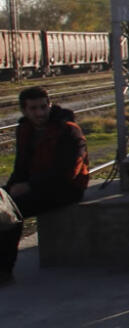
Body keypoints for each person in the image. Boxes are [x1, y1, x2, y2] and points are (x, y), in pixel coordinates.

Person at [0, 87, 89, 284]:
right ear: (24, 110)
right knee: (3, 203)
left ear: (50, 104)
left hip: (67, 188)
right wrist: (9, 189)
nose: (39, 113)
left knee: (14, 213)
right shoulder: (25, 129)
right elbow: (21, 165)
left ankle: (4, 271)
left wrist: (29, 186)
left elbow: (68, 171)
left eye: (43, 107)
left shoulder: (68, 129)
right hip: (38, 186)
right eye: (33, 109)